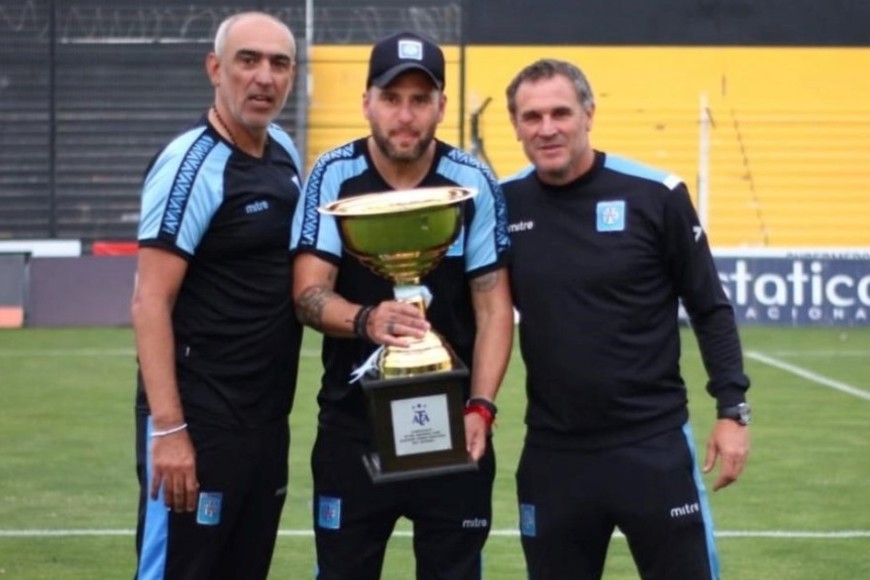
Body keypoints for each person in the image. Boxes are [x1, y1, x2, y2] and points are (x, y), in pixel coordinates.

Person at [501, 58, 752, 580]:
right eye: (532, 117)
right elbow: (481, 311)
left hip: (652, 446)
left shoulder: (655, 195)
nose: (547, 128)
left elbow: (709, 306)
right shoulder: (504, 203)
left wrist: (732, 410)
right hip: (553, 453)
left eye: (560, 113)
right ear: (516, 126)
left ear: (589, 114)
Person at [291, 31, 513, 580]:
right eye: (391, 98)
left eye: (420, 99)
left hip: (454, 429)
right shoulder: (333, 173)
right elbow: (308, 293)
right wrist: (368, 320)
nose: (406, 115)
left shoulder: (473, 181)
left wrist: (481, 407)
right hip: (352, 426)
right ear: (367, 101)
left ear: (441, 105)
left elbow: (493, 309)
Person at [130, 12, 304, 580]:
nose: (264, 77)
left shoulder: (284, 152)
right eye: (247, 60)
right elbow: (149, 302)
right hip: (198, 423)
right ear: (215, 68)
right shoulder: (189, 165)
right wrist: (169, 431)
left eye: (279, 64)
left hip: (266, 420)